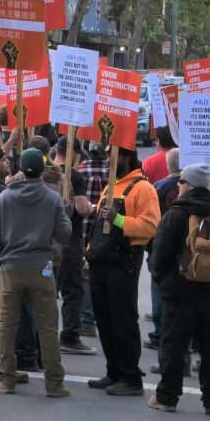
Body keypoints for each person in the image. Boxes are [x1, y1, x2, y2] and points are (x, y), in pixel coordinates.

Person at [147, 162, 210, 415]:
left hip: (179, 292)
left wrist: (163, 280)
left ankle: (167, 397)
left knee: (173, 346)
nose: (178, 185)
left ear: (190, 185)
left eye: (182, 181)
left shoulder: (176, 214)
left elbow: (159, 255)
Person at [0, 147, 70, 398]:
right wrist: (64, 213)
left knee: (6, 325)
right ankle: (54, 383)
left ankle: (6, 379)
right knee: (47, 327)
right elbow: (64, 234)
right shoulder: (53, 199)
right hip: (42, 268)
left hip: (11, 267)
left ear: (21, 169)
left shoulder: (6, 197)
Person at [85, 145, 158, 397]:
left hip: (123, 263)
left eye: (113, 156)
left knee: (123, 320)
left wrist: (118, 219)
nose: (108, 160)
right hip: (100, 262)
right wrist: (89, 252)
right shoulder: (110, 187)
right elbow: (98, 226)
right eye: (107, 156)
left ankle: (130, 376)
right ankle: (114, 370)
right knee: (104, 320)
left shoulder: (143, 188)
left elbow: (151, 225)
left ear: (127, 157)